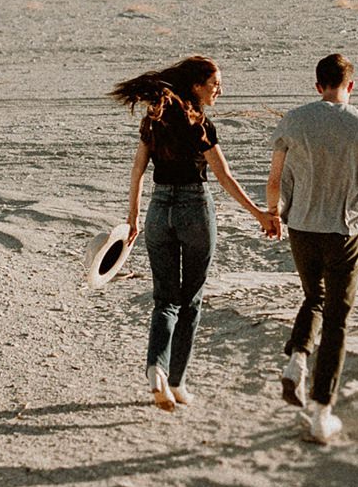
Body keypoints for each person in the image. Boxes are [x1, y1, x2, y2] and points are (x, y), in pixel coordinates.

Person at [113, 55, 277, 413]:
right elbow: (224, 176)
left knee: (165, 300)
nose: (220, 89)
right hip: (194, 209)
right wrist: (259, 215)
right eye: (215, 83)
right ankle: (176, 381)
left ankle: (155, 366)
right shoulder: (199, 123)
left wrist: (134, 216)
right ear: (196, 86)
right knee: (192, 300)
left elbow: (138, 169)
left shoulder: (153, 121)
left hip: (159, 210)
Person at [263, 52, 358, 445]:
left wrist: (274, 214)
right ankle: (322, 410)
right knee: (337, 318)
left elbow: (274, 179)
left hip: (302, 227)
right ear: (350, 86)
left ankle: (298, 357)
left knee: (313, 297)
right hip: (344, 230)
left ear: (317, 85)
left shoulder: (293, 120)